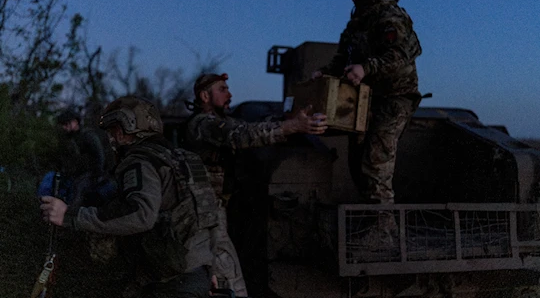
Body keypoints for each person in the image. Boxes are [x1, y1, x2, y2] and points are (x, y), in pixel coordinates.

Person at [40, 96, 218, 298]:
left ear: (129, 127)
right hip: (195, 272)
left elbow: (140, 214)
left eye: (115, 130)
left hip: (169, 279)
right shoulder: (186, 159)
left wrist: (70, 215)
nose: (112, 138)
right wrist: (209, 267)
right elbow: (209, 214)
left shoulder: (141, 162)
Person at [184, 72, 328, 296]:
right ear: (204, 96)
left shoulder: (222, 122)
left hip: (213, 213)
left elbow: (251, 126)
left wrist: (288, 121)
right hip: (204, 217)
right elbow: (241, 134)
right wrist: (291, 126)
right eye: (222, 89)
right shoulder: (203, 125)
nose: (229, 94)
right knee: (229, 283)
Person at [312, 0, 422, 205]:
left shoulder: (391, 17)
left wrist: (367, 68)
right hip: (364, 100)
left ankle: (383, 231)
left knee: (375, 162)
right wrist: (325, 72)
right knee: (357, 163)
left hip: (395, 98)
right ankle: (373, 219)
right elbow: (343, 57)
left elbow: (400, 56)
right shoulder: (357, 23)